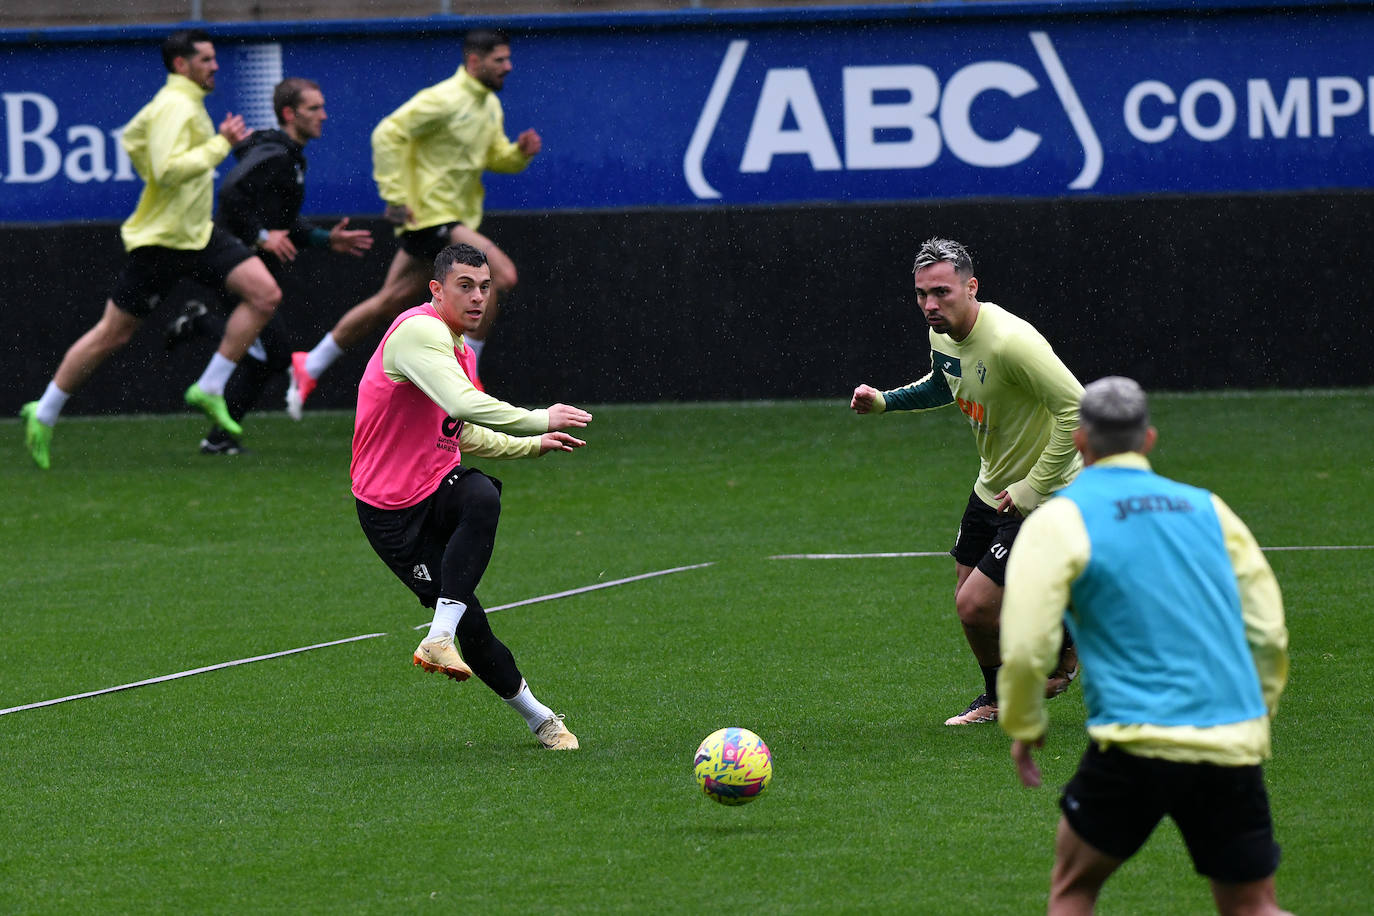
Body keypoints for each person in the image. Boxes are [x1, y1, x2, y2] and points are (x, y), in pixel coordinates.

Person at [998, 376, 1291, 916]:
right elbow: (1269, 631)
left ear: (1080, 441)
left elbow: (1025, 644)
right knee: (1253, 907)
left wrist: (1022, 722)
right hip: (1231, 741)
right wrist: (1258, 707)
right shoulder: (1211, 509)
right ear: (1148, 440)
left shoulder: (1061, 519)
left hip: (1134, 746)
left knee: (1074, 890)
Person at [352, 243, 590, 750]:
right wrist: (540, 417)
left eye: (485, 287)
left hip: (436, 486)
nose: (478, 297)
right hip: (390, 513)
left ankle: (446, 644)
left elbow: (460, 432)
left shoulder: (456, 348)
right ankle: (537, 715)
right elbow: (465, 404)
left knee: (480, 494)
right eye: (465, 286)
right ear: (436, 289)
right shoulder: (419, 331)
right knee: (474, 625)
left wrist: (532, 445)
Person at [18, 28, 282, 469]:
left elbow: (133, 139)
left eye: (214, 59)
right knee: (112, 334)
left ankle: (210, 387)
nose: (215, 66)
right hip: (161, 241)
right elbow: (164, 169)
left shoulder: (176, 103)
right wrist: (221, 144)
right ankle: (42, 412)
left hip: (196, 233)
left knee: (265, 294)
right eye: (205, 60)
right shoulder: (175, 106)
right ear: (182, 65)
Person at [850, 237, 1083, 726]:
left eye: (941, 292)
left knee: (975, 606)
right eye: (921, 295)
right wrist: (886, 402)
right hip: (991, 487)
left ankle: (1067, 640)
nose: (930, 305)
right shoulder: (942, 332)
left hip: (1045, 493)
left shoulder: (1010, 343)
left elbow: (1078, 410)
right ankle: (1002, 694)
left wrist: (1033, 488)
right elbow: (944, 380)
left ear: (970, 286)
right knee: (970, 600)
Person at [287, 28, 541, 415]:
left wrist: (517, 154)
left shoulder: (489, 106)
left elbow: (491, 157)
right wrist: (395, 195)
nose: (509, 66)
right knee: (501, 276)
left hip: (446, 220)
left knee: (389, 303)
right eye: (500, 60)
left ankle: (311, 364)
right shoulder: (443, 98)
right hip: (431, 217)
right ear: (475, 62)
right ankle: (465, 372)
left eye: (508, 59)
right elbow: (388, 133)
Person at [164, 77, 373, 455]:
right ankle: (201, 328)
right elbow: (230, 194)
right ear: (290, 114)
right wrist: (261, 236)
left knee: (269, 358)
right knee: (271, 355)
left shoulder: (288, 155)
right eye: (314, 108)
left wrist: (328, 240)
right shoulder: (276, 153)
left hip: (250, 266)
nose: (324, 115)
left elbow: (285, 224)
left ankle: (218, 438)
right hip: (235, 266)